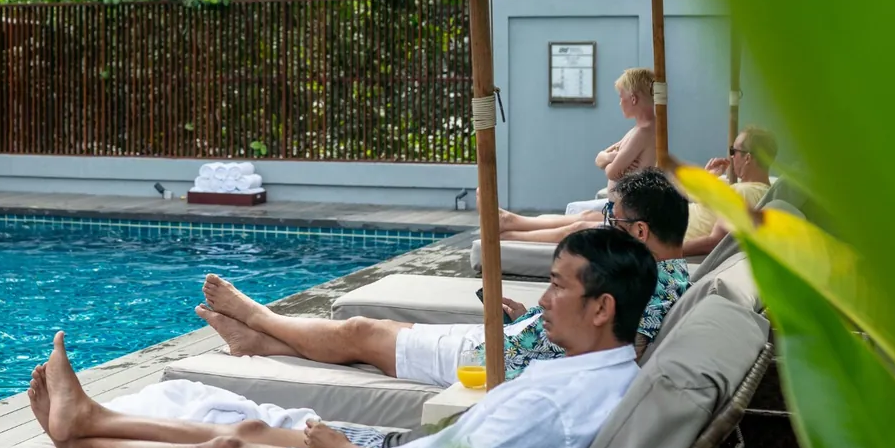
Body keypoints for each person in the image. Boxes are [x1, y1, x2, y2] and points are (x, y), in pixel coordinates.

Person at [27, 226, 653, 448]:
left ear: (601, 309)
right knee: (250, 426)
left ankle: (81, 438)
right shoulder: (603, 372)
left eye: (558, 287)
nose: (543, 300)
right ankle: (95, 416)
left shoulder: (554, 402)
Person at [197, 168, 692, 386]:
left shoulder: (653, 287)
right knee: (365, 338)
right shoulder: (666, 278)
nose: (605, 225)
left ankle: (260, 317)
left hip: (496, 363)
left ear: (640, 230)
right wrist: (541, 319)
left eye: (614, 218)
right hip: (513, 341)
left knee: (361, 331)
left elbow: (617, 362)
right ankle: (259, 344)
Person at [503, 67, 657, 232]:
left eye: (621, 98)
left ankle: (509, 233)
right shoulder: (637, 130)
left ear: (633, 99)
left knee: (578, 226)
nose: (620, 103)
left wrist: (610, 159)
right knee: (585, 216)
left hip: (626, 216)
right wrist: (612, 158)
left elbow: (611, 173)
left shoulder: (642, 132)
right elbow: (600, 158)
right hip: (619, 209)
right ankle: (511, 221)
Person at [680, 126, 777, 256]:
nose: (731, 157)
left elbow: (715, 242)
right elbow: (687, 196)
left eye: (733, 151)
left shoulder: (746, 193)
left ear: (747, 158)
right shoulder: (738, 186)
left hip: (666, 243)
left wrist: (665, 253)